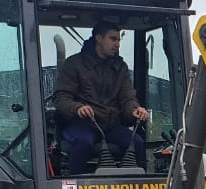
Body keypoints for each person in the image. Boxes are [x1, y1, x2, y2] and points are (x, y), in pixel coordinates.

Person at [53, 21, 149, 175]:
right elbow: (61, 98)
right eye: (113, 39)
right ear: (98, 38)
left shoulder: (120, 67)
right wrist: (77, 108)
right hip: (82, 124)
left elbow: (127, 97)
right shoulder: (74, 64)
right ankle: (73, 187)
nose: (117, 44)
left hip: (110, 126)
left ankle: (138, 187)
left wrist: (134, 110)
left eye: (118, 40)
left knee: (136, 142)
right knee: (83, 142)